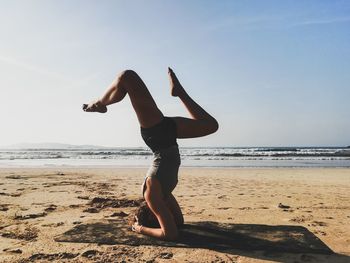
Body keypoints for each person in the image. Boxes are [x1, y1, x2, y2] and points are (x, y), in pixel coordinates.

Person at [83, 68, 218, 240]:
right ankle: (179, 93)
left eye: (162, 216)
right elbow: (179, 223)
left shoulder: (152, 196)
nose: (167, 215)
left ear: (154, 214)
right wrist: (161, 221)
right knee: (211, 125)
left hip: (156, 134)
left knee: (127, 77)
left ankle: (98, 104)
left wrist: (140, 229)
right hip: (166, 136)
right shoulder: (163, 196)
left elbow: (170, 234)